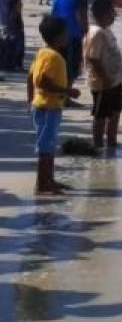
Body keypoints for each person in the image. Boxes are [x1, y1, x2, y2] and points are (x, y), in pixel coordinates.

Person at [27, 15, 80, 194]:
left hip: (45, 106)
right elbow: (41, 81)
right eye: (65, 33)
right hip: (48, 107)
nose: (68, 36)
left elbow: (30, 76)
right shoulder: (54, 57)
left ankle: (49, 180)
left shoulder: (43, 52)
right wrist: (67, 92)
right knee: (46, 149)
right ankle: (42, 185)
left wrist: (30, 100)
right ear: (58, 36)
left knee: (48, 146)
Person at [84, 0, 122, 150]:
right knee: (101, 114)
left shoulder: (106, 30)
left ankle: (112, 140)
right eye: (111, 13)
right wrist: (105, 77)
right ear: (102, 14)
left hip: (115, 80)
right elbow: (93, 58)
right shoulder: (96, 33)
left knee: (115, 111)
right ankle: (98, 143)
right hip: (103, 82)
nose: (114, 16)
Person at [50, 0, 90, 89]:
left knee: (60, 63)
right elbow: (81, 13)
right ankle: (65, 95)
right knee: (72, 65)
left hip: (55, 30)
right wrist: (86, 31)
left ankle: (61, 94)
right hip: (71, 33)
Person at [0, 0, 23, 70]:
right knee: (8, 43)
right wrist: (16, 17)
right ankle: (8, 65)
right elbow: (13, 3)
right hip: (5, 19)